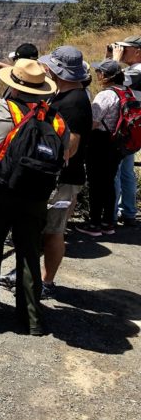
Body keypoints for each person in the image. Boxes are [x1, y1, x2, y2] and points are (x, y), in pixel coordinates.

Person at [0, 59, 67, 335]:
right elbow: (63, 156)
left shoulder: (0, 107)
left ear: (14, 86)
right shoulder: (56, 118)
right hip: (35, 197)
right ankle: (31, 317)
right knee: (29, 253)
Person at [38, 46, 92, 300]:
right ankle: (38, 277)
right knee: (49, 229)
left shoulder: (74, 103)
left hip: (63, 179)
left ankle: (46, 282)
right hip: (62, 178)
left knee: (54, 231)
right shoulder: (71, 96)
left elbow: (71, 145)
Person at [76, 60, 127, 236]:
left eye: (99, 72)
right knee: (109, 183)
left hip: (100, 142)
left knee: (96, 184)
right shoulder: (124, 92)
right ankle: (108, 222)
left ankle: (94, 224)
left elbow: (93, 122)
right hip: (117, 142)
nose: (97, 75)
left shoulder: (105, 95)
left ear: (105, 76)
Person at [110, 35, 141, 226]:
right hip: (131, 129)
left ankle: (110, 215)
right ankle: (128, 212)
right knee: (127, 172)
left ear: (138, 52)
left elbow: (112, 82)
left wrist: (113, 61)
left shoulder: (138, 72)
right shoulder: (134, 70)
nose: (120, 51)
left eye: (124, 48)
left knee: (115, 172)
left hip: (126, 130)